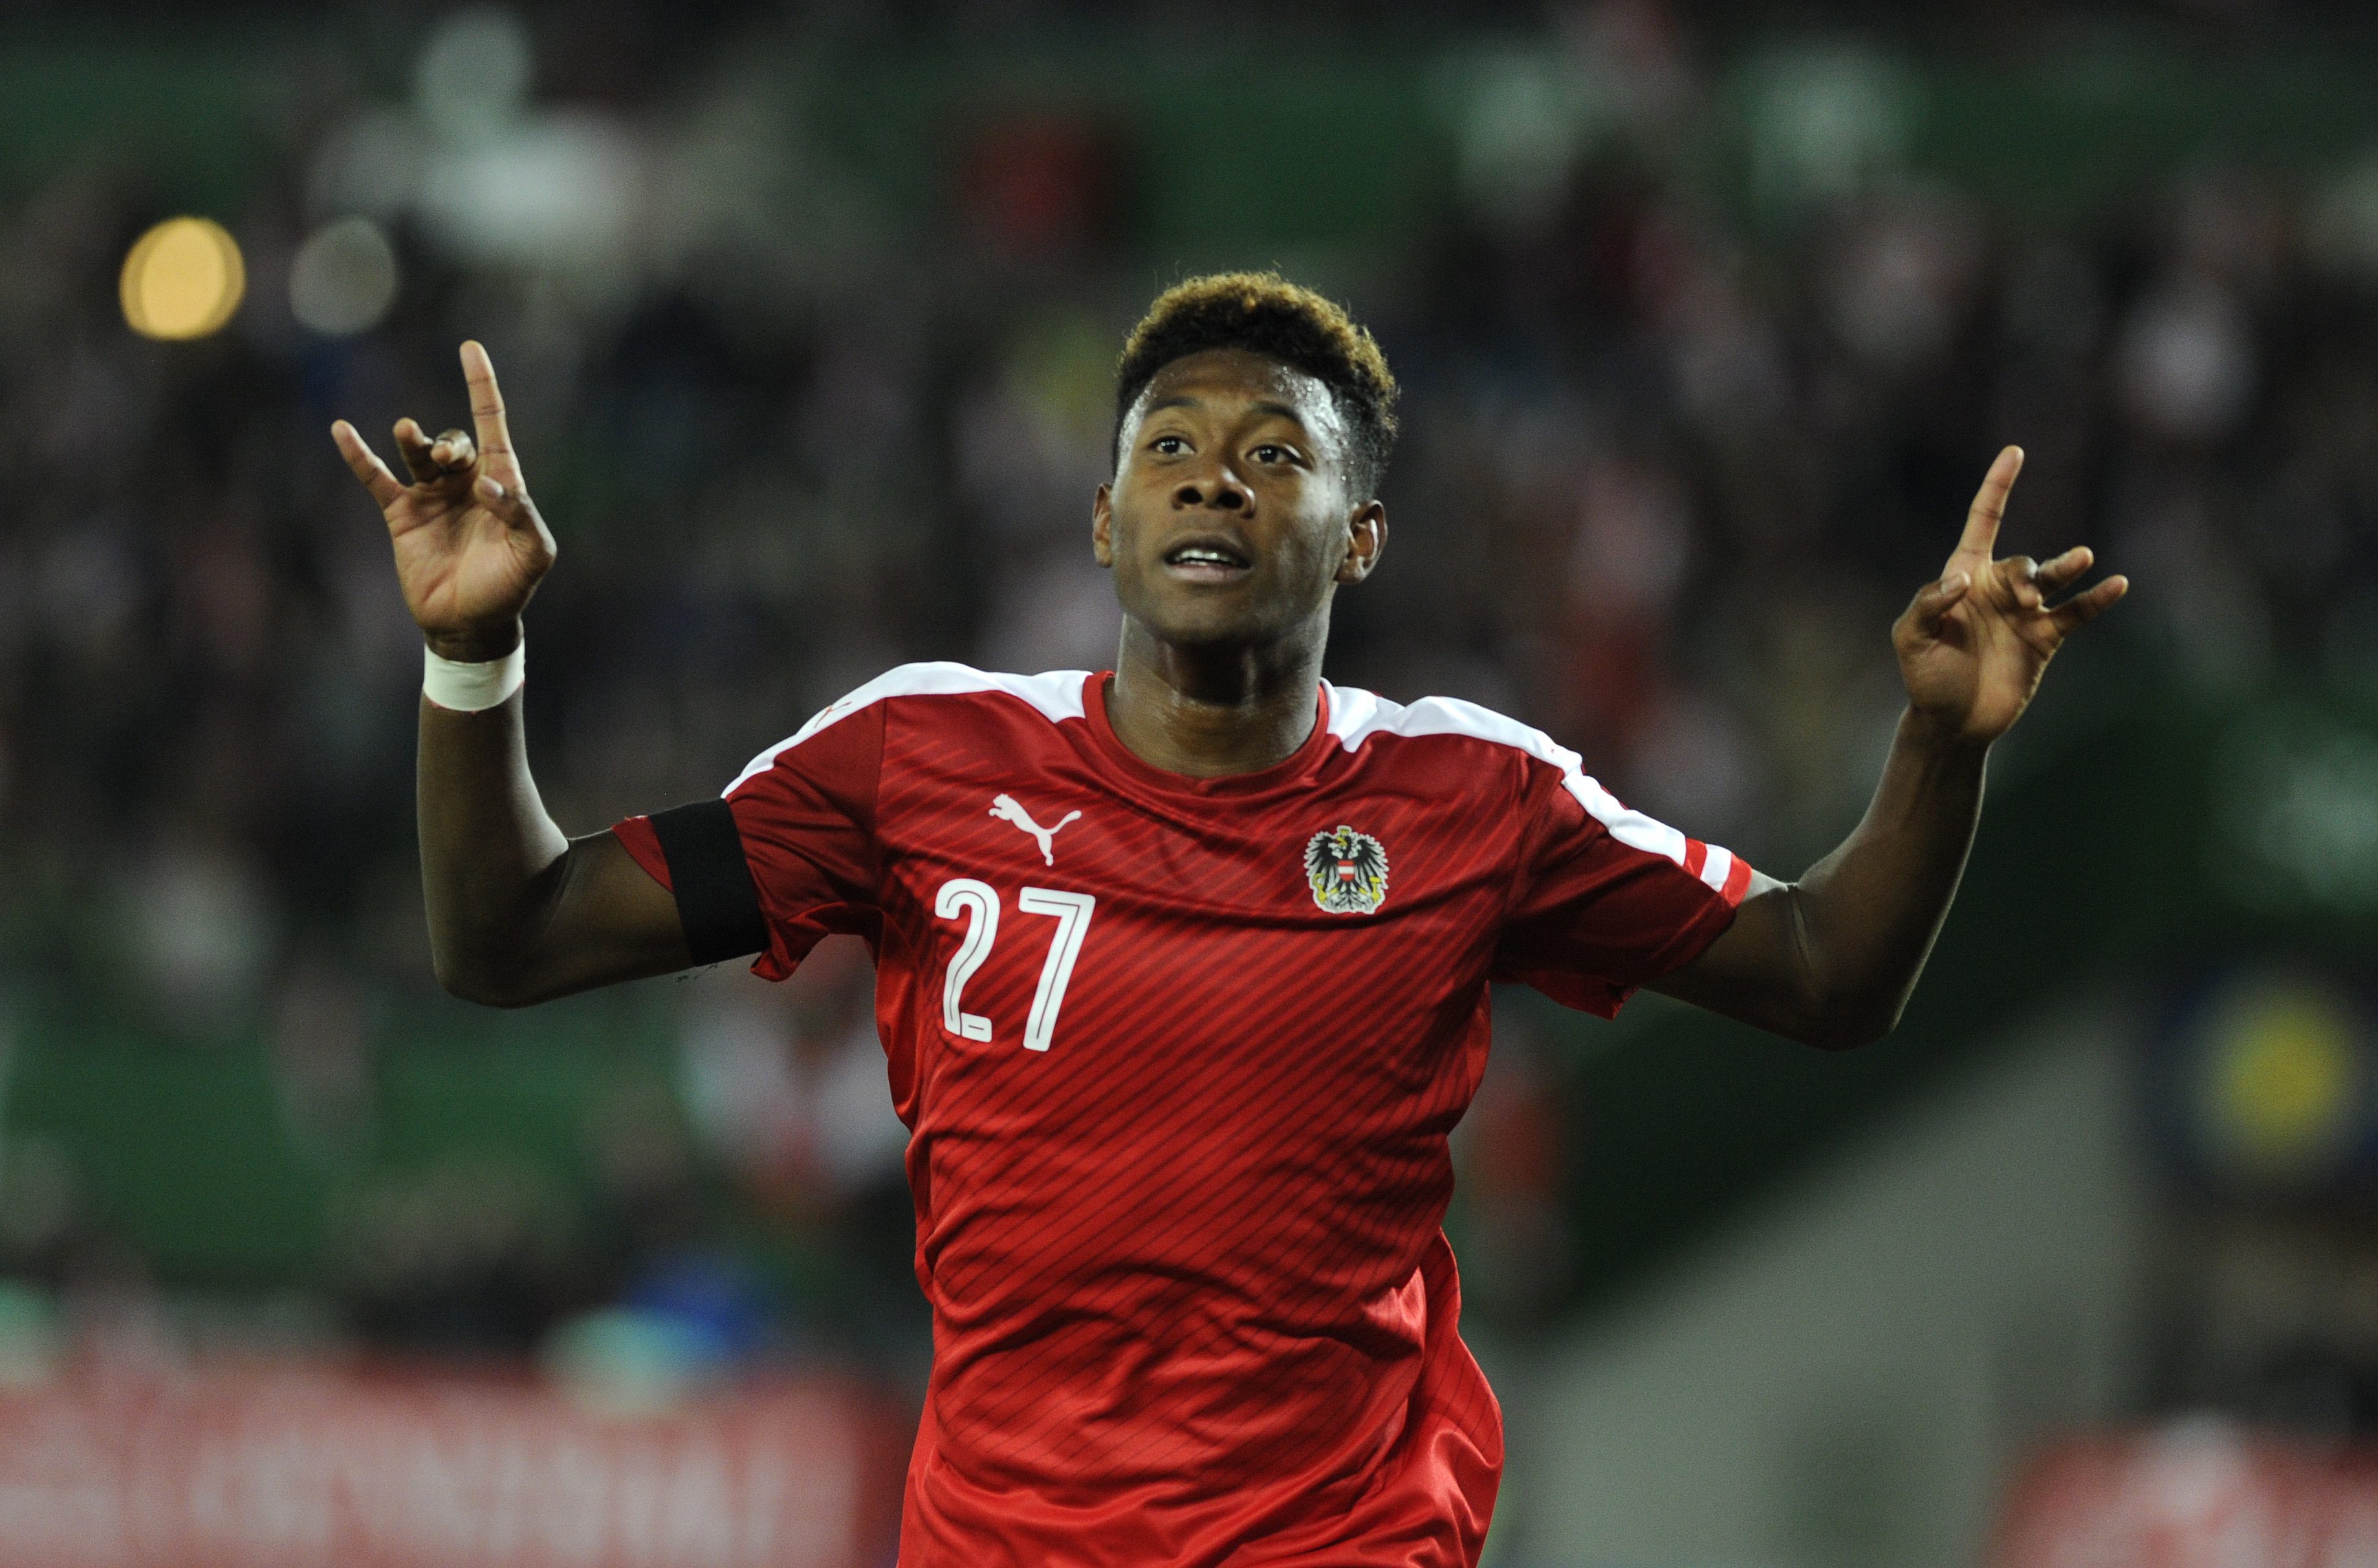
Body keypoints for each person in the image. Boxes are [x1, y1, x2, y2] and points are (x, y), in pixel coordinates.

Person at [331, 272, 2126, 1567]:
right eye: (1172, 449)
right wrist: (470, 646)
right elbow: (514, 941)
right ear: (1104, 520)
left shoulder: (1475, 798)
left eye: (1278, 454)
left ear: (1358, 538)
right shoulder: (910, 763)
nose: (1214, 477)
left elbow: (1822, 977)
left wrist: (1936, 748)